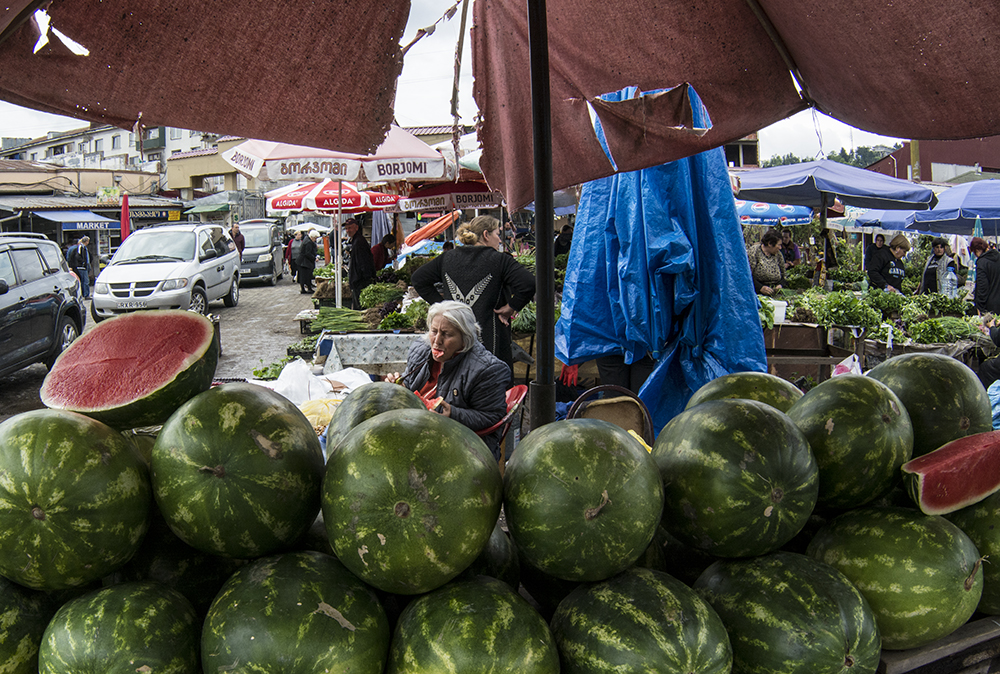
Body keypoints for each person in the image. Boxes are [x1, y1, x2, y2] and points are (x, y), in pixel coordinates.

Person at [411, 215, 536, 376]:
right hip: (491, 340)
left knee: (454, 380)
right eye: (497, 234)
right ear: (486, 234)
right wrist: (511, 307)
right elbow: (528, 283)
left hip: (453, 341)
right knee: (493, 382)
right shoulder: (500, 260)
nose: (499, 239)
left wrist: (444, 307)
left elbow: (418, 279)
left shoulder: (447, 258)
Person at [386, 301, 509, 460]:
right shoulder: (420, 350)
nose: (437, 340)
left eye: (446, 334)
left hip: (461, 445)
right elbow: (410, 387)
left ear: (465, 338)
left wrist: (454, 414)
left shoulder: (487, 369)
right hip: (416, 431)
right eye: (434, 331)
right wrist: (400, 388)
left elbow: (492, 417)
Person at [344, 218, 376, 310]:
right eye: (346, 228)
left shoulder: (359, 242)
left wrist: (366, 278)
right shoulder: (356, 240)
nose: (347, 231)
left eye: (350, 228)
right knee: (358, 305)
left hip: (360, 281)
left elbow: (363, 262)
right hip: (359, 280)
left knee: (359, 306)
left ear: (356, 228)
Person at [747, 230, 784, 296]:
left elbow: (784, 275)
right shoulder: (754, 252)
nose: (780, 248)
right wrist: (760, 287)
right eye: (779, 245)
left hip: (775, 293)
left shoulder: (778, 255)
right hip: (758, 293)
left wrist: (780, 285)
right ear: (770, 244)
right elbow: (747, 275)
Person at [971, 236, 1000, 314]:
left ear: (977, 250)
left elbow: (982, 286)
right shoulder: (998, 256)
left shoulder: (982, 262)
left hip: (990, 307)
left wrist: (980, 307)